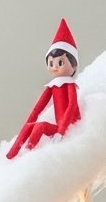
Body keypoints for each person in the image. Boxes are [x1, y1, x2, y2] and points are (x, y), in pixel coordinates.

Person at [6, 19, 81, 159]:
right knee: (32, 125)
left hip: (70, 125)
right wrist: (27, 125)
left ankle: (28, 152)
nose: (55, 67)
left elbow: (71, 106)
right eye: (51, 63)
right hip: (60, 126)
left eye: (60, 62)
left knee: (40, 127)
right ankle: (13, 154)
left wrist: (61, 132)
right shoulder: (53, 86)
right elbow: (38, 108)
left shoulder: (69, 85)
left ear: (74, 65)